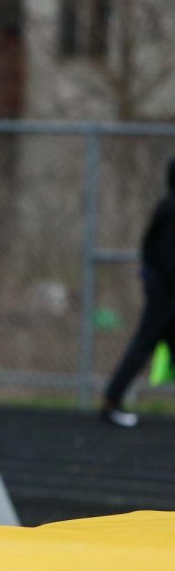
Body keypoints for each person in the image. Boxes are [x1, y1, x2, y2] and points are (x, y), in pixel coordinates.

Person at [101, 157, 175, 428]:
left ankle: (112, 399)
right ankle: (111, 400)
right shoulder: (170, 209)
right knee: (142, 346)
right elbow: (166, 257)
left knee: (144, 346)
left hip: (163, 293)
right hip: (165, 298)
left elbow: (149, 249)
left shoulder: (165, 207)